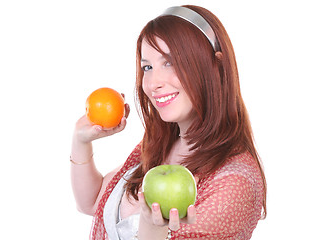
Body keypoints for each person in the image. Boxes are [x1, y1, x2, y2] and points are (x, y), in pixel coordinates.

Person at [70, 5, 266, 240]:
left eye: (170, 62)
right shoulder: (161, 142)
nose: (153, 83)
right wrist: (81, 140)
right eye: (148, 67)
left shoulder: (235, 183)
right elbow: (93, 202)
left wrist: (153, 229)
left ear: (215, 68)